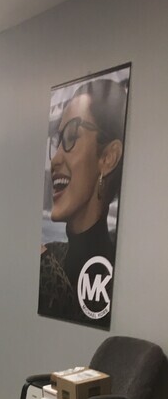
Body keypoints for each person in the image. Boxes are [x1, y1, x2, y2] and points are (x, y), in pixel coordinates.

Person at [38, 77, 127, 324]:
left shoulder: (108, 271)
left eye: (71, 137)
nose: (55, 160)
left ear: (108, 157)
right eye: (57, 142)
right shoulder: (54, 252)